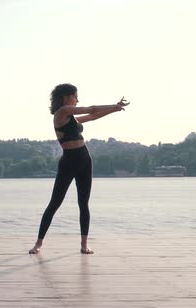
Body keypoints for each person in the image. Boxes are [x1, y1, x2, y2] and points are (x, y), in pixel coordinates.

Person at [29, 83, 130, 255]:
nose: (77, 100)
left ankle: (84, 245)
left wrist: (114, 110)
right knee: (55, 203)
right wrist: (113, 104)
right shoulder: (62, 113)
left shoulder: (71, 117)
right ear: (66, 97)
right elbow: (90, 109)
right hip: (69, 161)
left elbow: (92, 117)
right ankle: (38, 244)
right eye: (75, 96)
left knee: (83, 203)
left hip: (84, 160)